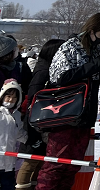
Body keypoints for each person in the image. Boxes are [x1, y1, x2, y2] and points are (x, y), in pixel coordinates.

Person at [37, 13, 100, 190]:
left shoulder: (96, 50)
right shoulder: (70, 47)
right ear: (91, 30)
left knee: (73, 166)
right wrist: (96, 65)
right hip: (64, 114)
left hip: (85, 115)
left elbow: (93, 79)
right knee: (55, 165)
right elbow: (60, 77)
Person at [15, 39, 63, 190]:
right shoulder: (43, 71)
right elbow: (33, 96)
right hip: (35, 120)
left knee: (39, 160)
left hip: (42, 118)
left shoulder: (49, 69)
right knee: (30, 160)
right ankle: (21, 187)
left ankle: (32, 186)